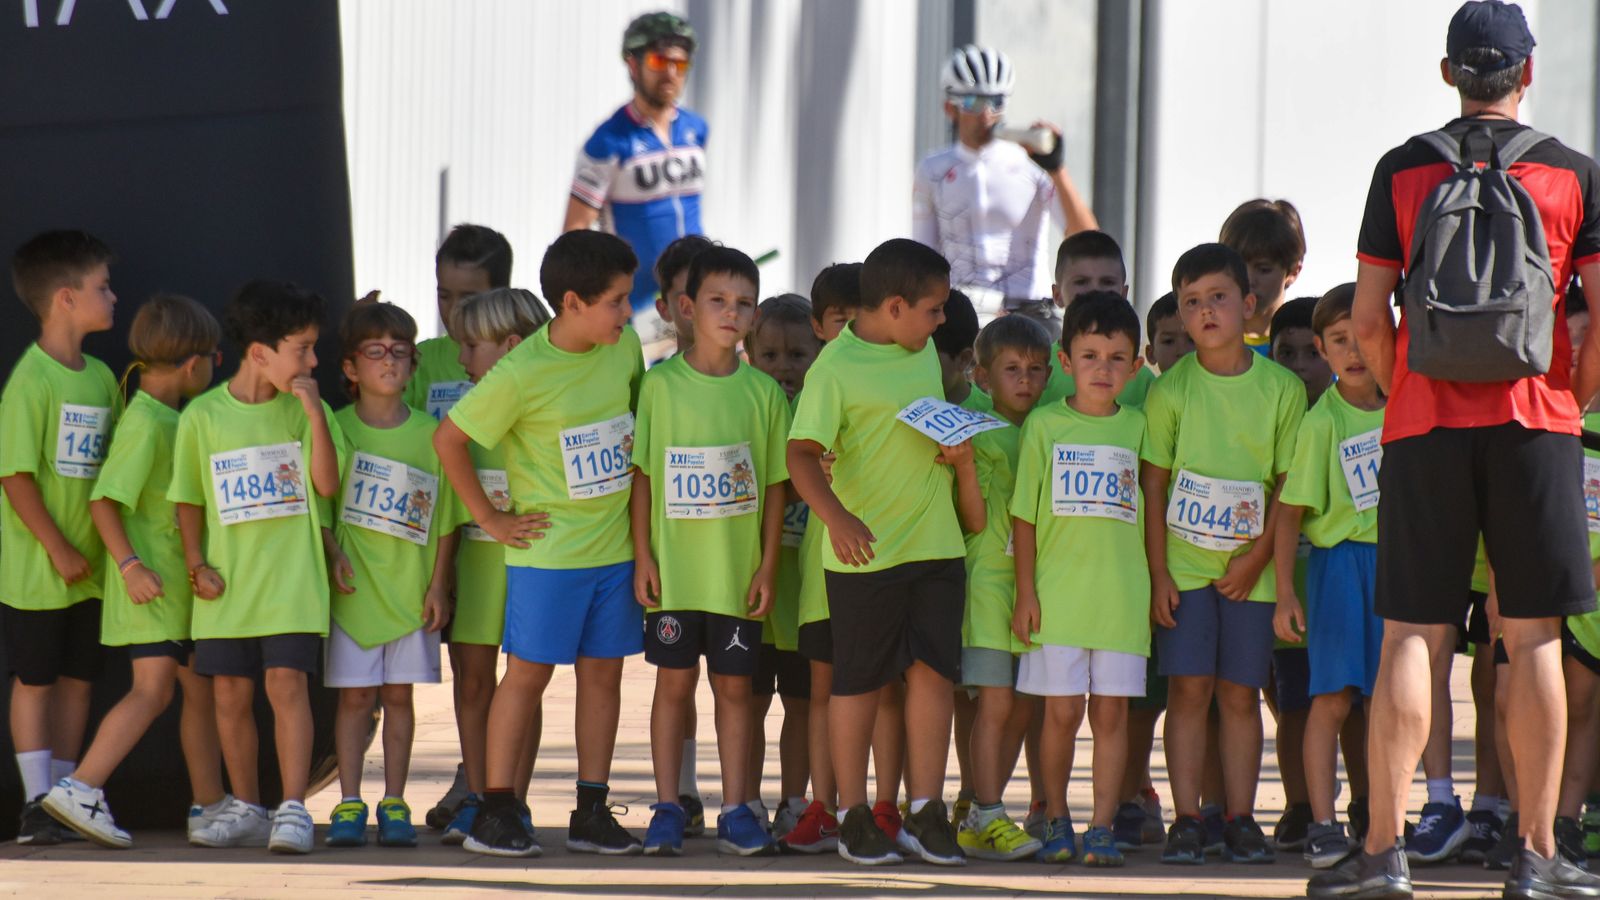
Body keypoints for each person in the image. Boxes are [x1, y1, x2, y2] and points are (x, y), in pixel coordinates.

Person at [1311, 3, 1600, 897]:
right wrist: (1568, 397)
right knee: (1535, 638)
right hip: (1536, 423)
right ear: (1527, 71)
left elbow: (1366, 317)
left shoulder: (1403, 169)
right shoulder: (1573, 173)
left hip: (1423, 426)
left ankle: (1383, 854)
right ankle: (1539, 856)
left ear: (1449, 74)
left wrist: (1410, 394)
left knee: (1412, 636)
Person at [436, 230, 644, 859]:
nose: (628, 313)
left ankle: (591, 808)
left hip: (614, 552)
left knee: (604, 676)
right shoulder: (521, 371)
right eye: (616, 301)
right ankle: (496, 807)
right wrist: (494, 522)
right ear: (574, 302)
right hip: (549, 556)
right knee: (526, 675)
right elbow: (449, 441)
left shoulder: (624, 346)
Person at [788, 238, 983, 867]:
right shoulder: (834, 369)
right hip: (864, 553)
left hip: (935, 544)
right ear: (894, 306)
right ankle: (852, 816)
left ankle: (924, 810)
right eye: (933, 310)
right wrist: (836, 517)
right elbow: (800, 455)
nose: (941, 323)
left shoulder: (920, 346)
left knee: (932, 674)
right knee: (859, 683)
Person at [1142, 243, 1306, 866]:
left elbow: (1288, 490)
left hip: (1251, 572)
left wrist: (1258, 560)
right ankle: (1188, 818)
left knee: (1239, 695)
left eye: (1218, 297)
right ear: (1180, 318)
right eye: (1191, 303)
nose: (1206, 312)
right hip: (1183, 568)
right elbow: (1153, 483)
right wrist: (1158, 572)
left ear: (1250, 304)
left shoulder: (1281, 390)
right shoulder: (1170, 390)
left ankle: (1241, 816)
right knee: (1187, 690)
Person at [40, 294, 223, 849]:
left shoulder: (168, 417)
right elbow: (104, 502)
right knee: (152, 690)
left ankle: (210, 807)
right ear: (194, 363)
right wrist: (131, 566)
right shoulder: (145, 423)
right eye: (216, 356)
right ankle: (80, 788)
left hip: (177, 588)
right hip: (151, 588)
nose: (220, 366)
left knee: (197, 689)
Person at [171, 280, 344, 855]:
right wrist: (197, 564)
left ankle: (293, 806)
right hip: (228, 587)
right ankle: (246, 806)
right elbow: (188, 499)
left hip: (292, 585)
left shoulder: (301, 410)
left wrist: (315, 414)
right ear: (260, 353)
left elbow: (326, 483)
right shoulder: (202, 416)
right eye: (303, 348)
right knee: (227, 695)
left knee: (286, 685)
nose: (312, 361)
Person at [633, 247, 788, 857]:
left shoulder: (764, 395)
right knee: (673, 689)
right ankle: (668, 806)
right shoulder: (660, 386)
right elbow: (644, 474)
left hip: (735, 579)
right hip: (674, 576)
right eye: (718, 301)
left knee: (734, 692)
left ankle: (736, 809)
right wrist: (644, 556)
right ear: (687, 309)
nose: (731, 313)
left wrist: (768, 563)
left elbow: (776, 486)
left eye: (744, 303)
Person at [1012, 290, 1151, 867]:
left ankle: (1101, 826)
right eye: (1090, 355)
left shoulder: (1141, 427)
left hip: (1121, 599)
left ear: (1136, 366)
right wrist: (1026, 593)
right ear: (1065, 361)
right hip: (1058, 598)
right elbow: (1023, 515)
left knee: (1112, 715)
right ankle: (1056, 818)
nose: (1103, 368)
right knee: (1062, 714)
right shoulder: (1044, 425)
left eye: (1117, 357)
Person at [324, 302, 463, 849]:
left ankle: (396, 800)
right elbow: (321, 509)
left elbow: (447, 518)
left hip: (410, 590)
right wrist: (333, 552)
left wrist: (438, 584)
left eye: (401, 353)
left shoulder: (434, 435)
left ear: (414, 364)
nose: (390, 363)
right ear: (351, 368)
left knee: (400, 697)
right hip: (354, 592)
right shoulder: (334, 428)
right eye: (376, 352)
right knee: (355, 699)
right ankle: (350, 801)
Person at [2, 231, 120, 845]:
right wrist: (57, 547)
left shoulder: (101, 376)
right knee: (37, 678)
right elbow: (14, 474)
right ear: (67, 298)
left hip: (94, 568)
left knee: (80, 678)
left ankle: (68, 800)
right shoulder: (32, 380)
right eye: (103, 287)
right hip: (40, 569)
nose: (114, 296)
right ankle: (35, 799)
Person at [1269, 286, 1385, 868]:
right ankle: (1321, 820)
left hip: (1397, 568)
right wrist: (1286, 590)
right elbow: (1290, 510)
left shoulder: (1407, 408)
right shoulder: (1321, 423)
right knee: (1331, 698)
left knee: (1389, 700)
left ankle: (1380, 813)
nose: (1356, 350)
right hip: (1339, 568)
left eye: (1366, 335)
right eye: (1340, 340)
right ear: (1322, 348)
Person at [438, 288, 552, 846]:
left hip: (531, 571)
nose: (462, 359)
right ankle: (480, 798)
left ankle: (514, 802)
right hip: (478, 571)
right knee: (473, 683)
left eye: (471, 345)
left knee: (523, 684)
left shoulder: (547, 408)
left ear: (510, 346)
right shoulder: (468, 415)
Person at [954, 315, 1050, 862]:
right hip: (989, 587)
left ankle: (980, 810)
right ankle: (986, 811)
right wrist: (966, 467)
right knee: (995, 703)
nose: (1025, 381)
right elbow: (970, 519)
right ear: (982, 374)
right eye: (1011, 370)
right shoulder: (972, 429)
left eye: (1036, 370)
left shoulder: (1052, 426)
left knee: (1020, 707)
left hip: (1036, 587)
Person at [912, 45, 1096, 326]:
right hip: (961, 311)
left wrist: (1057, 169)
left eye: (996, 102)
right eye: (973, 102)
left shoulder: (1032, 163)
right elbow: (922, 256)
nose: (986, 114)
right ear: (950, 108)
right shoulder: (932, 169)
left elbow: (1089, 240)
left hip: (1031, 310)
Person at [565, 11, 706, 355]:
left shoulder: (695, 128)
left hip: (696, 294)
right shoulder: (608, 142)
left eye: (680, 62)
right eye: (659, 60)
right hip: (641, 305)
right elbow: (576, 230)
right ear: (633, 64)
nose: (671, 72)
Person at [781, 262, 863, 855]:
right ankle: (821, 806)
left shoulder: (891, 382)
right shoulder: (813, 390)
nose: (854, 331)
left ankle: (880, 807)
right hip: (821, 565)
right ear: (820, 327)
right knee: (820, 689)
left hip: (881, 560)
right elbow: (788, 467)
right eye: (842, 321)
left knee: (877, 691)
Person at [744, 293, 823, 840]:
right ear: (749, 352)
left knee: (800, 702)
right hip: (748, 592)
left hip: (802, 595)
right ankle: (744, 800)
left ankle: (795, 801)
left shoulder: (822, 411)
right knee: (746, 701)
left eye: (797, 354)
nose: (783, 367)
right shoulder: (744, 406)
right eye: (769, 354)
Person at [1262, 293, 1336, 851]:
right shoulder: (1272, 419)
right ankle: (1300, 806)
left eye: (1312, 352)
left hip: (1344, 590)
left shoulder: (1350, 412)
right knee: (1293, 706)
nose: (1301, 366)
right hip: (1287, 595)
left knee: (1353, 704)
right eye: (1286, 353)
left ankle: (1362, 804)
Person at [404, 224, 513, 422]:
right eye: (444, 296)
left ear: (502, 293)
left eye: (468, 298)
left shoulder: (526, 353)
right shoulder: (419, 360)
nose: (455, 309)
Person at [1040, 232, 1158, 408]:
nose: (1095, 290)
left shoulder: (1143, 380)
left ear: (1124, 293)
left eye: (1107, 282)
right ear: (1057, 295)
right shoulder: (1038, 370)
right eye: (1081, 282)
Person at [1219, 199, 1305, 354]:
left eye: (1263, 269)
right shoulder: (1204, 343)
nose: (1248, 280)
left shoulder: (1313, 349)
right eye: (1238, 266)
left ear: (1293, 271)